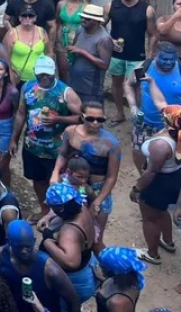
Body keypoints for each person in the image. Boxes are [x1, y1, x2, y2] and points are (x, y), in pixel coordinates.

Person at [10, 55, 82, 221]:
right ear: (35, 72)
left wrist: (59, 119)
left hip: (56, 150)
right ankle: (44, 210)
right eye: (41, 73)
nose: (45, 76)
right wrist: (14, 139)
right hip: (32, 146)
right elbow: (21, 113)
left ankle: (60, 216)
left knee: (58, 183)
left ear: (54, 72)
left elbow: (82, 117)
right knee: (38, 180)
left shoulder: (65, 92)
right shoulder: (27, 87)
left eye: (48, 73)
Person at [49, 100, 121, 249]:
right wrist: (55, 173)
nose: (95, 123)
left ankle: (103, 267)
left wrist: (98, 201)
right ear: (82, 117)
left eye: (100, 120)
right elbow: (63, 154)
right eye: (90, 119)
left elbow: (112, 177)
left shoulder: (111, 143)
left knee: (95, 238)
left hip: (97, 189)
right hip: (73, 184)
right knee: (66, 226)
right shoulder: (71, 132)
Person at [131, 104, 181, 265]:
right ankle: (167, 240)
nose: (161, 115)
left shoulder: (162, 145)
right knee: (161, 210)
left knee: (149, 218)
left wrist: (136, 189)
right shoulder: (175, 135)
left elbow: (152, 172)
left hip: (159, 181)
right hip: (174, 176)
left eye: (164, 114)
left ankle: (152, 253)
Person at [0, 220, 79, 312]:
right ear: (8, 242)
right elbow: (3, 283)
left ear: (34, 241)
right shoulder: (1, 254)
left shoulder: (49, 269)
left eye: (28, 247)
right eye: (19, 247)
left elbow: (73, 301)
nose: (24, 251)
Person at [104, 0, 156, 125]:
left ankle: (138, 115)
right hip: (116, 54)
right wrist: (110, 40)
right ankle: (120, 113)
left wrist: (150, 55)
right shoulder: (111, 5)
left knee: (138, 85)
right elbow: (100, 26)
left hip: (138, 56)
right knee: (116, 83)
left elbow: (153, 34)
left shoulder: (147, 9)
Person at [124, 41, 181, 171]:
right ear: (155, 56)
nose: (169, 63)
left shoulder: (180, 69)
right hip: (145, 122)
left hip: (173, 126)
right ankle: (143, 176)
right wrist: (133, 106)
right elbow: (129, 85)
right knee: (138, 151)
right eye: (164, 59)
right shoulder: (144, 67)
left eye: (172, 59)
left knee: (171, 158)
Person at [38, 183, 98, 304]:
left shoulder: (69, 232)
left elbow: (71, 263)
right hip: (87, 266)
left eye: (53, 207)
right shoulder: (80, 208)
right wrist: (48, 216)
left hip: (74, 281)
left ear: (61, 209)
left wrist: (48, 243)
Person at [67, 4, 113, 101]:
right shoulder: (80, 30)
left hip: (91, 88)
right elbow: (75, 48)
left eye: (88, 19)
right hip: (75, 82)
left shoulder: (104, 39)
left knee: (91, 114)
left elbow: (105, 65)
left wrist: (82, 52)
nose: (83, 20)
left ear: (97, 22)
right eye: (82, 17)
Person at [3, 6, 52, 86]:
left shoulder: (42, 31)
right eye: (24, 16)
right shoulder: (12, 34)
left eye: (30, 16)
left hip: (39, 77)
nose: (27, 18)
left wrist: (47, 71)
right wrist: (11, 73)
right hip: (19, 79)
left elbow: (49, 52)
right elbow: (5, 57)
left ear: (35, 18)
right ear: (19, 18)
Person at [55, 0, 90, 80]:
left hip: (79, 40)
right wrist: (55, 40)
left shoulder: (86, 6)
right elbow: (57, 22)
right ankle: (65, 92)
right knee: (62, 68)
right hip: (62, 39)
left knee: (77, 70)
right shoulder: (61, 4)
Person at [95, 247, 146, 312]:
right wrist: (103, 280)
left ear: (114, 271)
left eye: (103, 266)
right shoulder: (127, 282)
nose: (99, 267)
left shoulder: (118, 302)